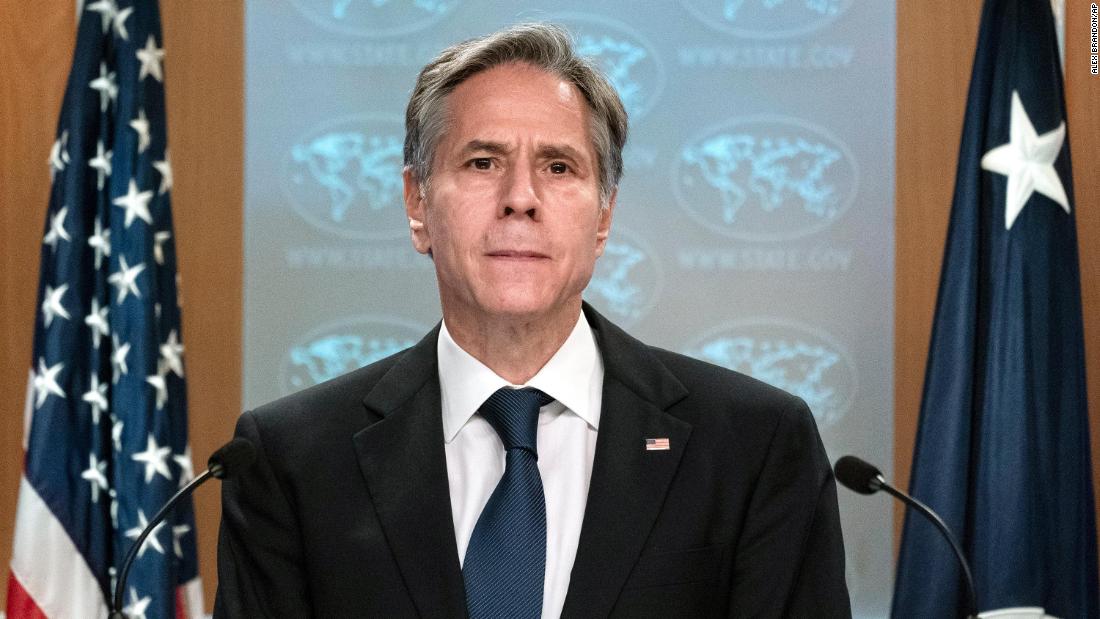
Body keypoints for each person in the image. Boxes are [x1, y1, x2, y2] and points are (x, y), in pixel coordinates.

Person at [214, 23, 850, 618]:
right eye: (482, 162)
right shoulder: (293, 460)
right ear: (417, 203)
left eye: (558, 167)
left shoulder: (754, 446)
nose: (520, 198)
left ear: (603, 217)